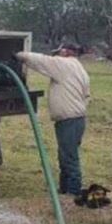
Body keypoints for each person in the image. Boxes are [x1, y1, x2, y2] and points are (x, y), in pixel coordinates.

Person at [15, 44, 90, 197]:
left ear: (68, 52)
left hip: (69, 119)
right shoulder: (79, 68)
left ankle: (74, 191)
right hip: (77, 118)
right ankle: (64, 188)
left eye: (60, 51)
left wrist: (19, 55)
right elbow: (87, 96)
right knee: (65, 154)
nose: (57, 54)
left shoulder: (64, 64)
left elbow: (42, 61)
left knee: (69, 156)